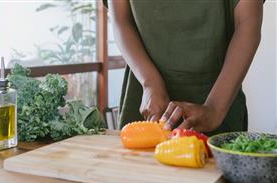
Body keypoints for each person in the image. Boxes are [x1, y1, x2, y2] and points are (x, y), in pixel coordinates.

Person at [106, 0, 264, 135]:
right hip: (144, 94)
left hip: (220, 95)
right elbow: (121, 20)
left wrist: (215, 108)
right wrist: (150, 83)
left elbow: (247, 24)